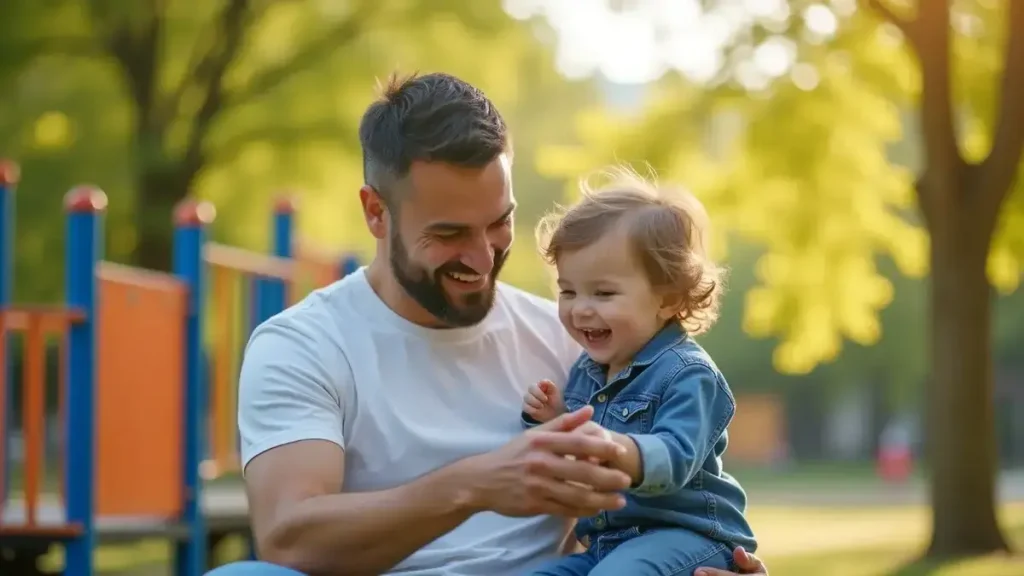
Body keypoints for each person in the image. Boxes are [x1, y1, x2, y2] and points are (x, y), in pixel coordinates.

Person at [206, 72, 768, 576]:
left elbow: (656, 501)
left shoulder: (570, 337)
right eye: (449, 234)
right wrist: (473, 486)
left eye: (500, 223)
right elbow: (288, 540)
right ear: (376, 212)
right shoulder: (303, 345)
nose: (481, 258)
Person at [520, 172, 756, 575]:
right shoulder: (587, 371)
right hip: (605, 544)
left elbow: (676, 457)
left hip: (686, 537)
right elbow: (575, 457)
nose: (580, 309)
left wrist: (615, 448)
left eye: (604, 293)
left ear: (667, 300)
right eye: (568, 291)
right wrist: (557, 419)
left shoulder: (689, 373)